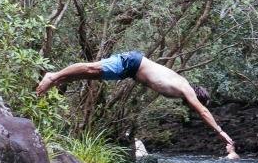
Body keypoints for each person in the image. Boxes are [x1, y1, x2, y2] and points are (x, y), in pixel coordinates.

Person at [36, 51, 239, 157]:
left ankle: (55, 80)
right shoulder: (186, 89)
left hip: (131, 70)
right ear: (196, 97)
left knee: (88, 75)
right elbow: (203, 111)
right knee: (91, 69)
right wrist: (220, 132)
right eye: (195, 103)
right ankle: (53, 76)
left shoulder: (182, 86)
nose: (192, 107)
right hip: (133, 63)